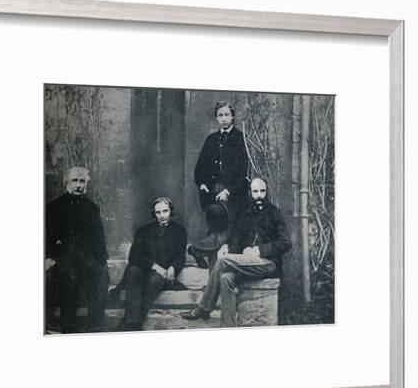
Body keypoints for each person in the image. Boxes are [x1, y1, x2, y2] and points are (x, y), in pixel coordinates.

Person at [181, 178, 291, 326]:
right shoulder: (244, 212)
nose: (259, 195)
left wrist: (259, 250)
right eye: (255, 191)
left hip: (268, 263)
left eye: (262, 191)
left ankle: (203, 308)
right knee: (226, 278)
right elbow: (235, 237)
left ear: (267, 192)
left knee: (223, 261)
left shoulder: (274, 213)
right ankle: (228, 326)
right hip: (246, 264)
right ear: (250, 193)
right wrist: (226, 246)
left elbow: (285, 243)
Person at [45, 166, 109, 333]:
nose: (78, 185)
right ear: (66, 182)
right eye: (75, 181)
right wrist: (48, 256)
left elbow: (99, 238)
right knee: (69, 277)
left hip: (86, 257)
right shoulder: (53, 206)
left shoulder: (91, 208)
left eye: (82, 181)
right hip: (63, 256)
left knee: (101, 275)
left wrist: (102, 260)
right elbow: (46, 236)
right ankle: (68, 326)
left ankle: (95, 324)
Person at [189, 101, 250, 270]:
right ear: (216, 118)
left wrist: (229, 191)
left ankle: (197, 249)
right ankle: (210, 270)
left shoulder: (240, 139)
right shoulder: (211, 139)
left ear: (232, 116)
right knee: (219, 229)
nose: (223, 119)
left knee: (229, 232)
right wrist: (202, 184)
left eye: (226, 115)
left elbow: (244, 172)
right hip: (212, 193)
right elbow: (200, 167)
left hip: (235, 194)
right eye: (220, 115)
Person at [117, 197, 188, 331]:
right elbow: (134, 256)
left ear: (171, 211)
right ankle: (134, 323)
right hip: (145, 270)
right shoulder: (144, 230)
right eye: (158, 212)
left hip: (164, 275)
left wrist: (173, 268)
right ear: (154, 214)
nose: (162, 216)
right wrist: (154, 266)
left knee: (154, 279)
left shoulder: (179, 231)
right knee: (133, 271)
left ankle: (132, 322)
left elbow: (180, 257)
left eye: (165, 211)